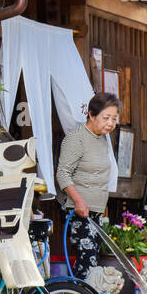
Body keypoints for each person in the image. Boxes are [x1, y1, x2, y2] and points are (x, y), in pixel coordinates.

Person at [57, 92, 120, 275]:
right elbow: (63, 172)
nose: (110, 123)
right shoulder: (76, 138)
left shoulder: (102, 139)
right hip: (78, 210)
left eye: (114, 119)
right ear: (92, 115)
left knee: (91, 261)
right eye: (106, 118)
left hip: (94, 211)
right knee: (87, 260)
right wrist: (78, 201)